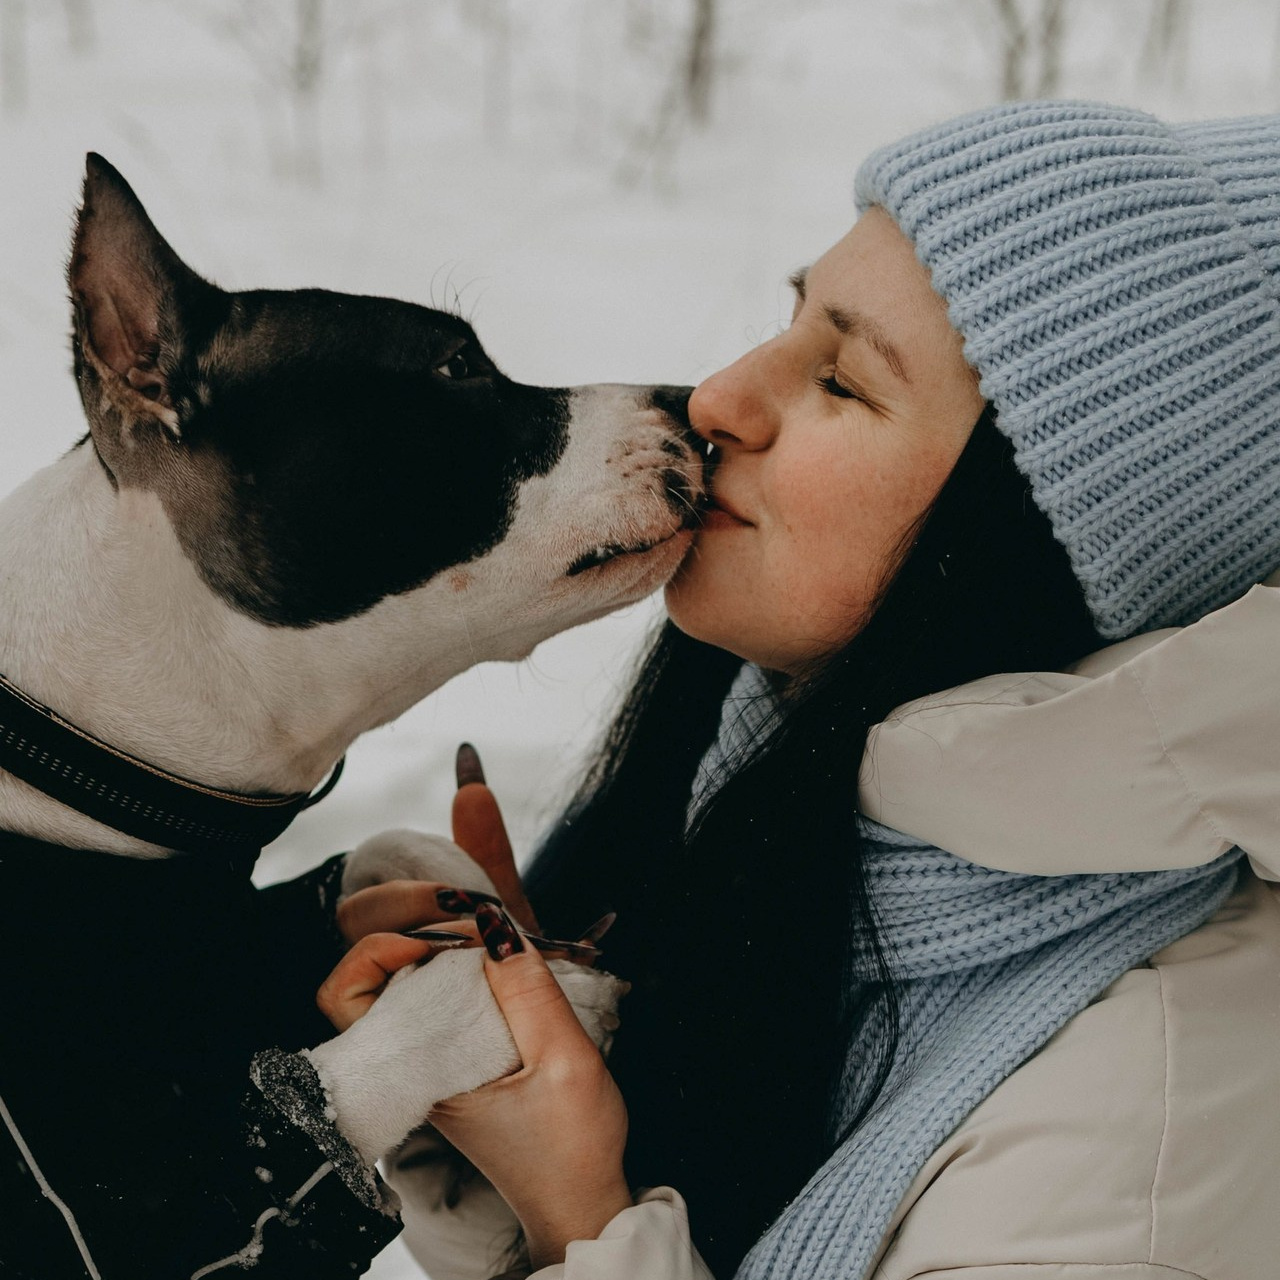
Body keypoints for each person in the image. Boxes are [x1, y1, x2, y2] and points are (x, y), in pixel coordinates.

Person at [318, 99, 1280, 1280]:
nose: (716, 396)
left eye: (841, 381)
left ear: (1033, 547)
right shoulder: (789, 766)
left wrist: (586, 1218)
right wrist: (533, 1104)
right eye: (788, 317)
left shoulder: (1142, 1124)